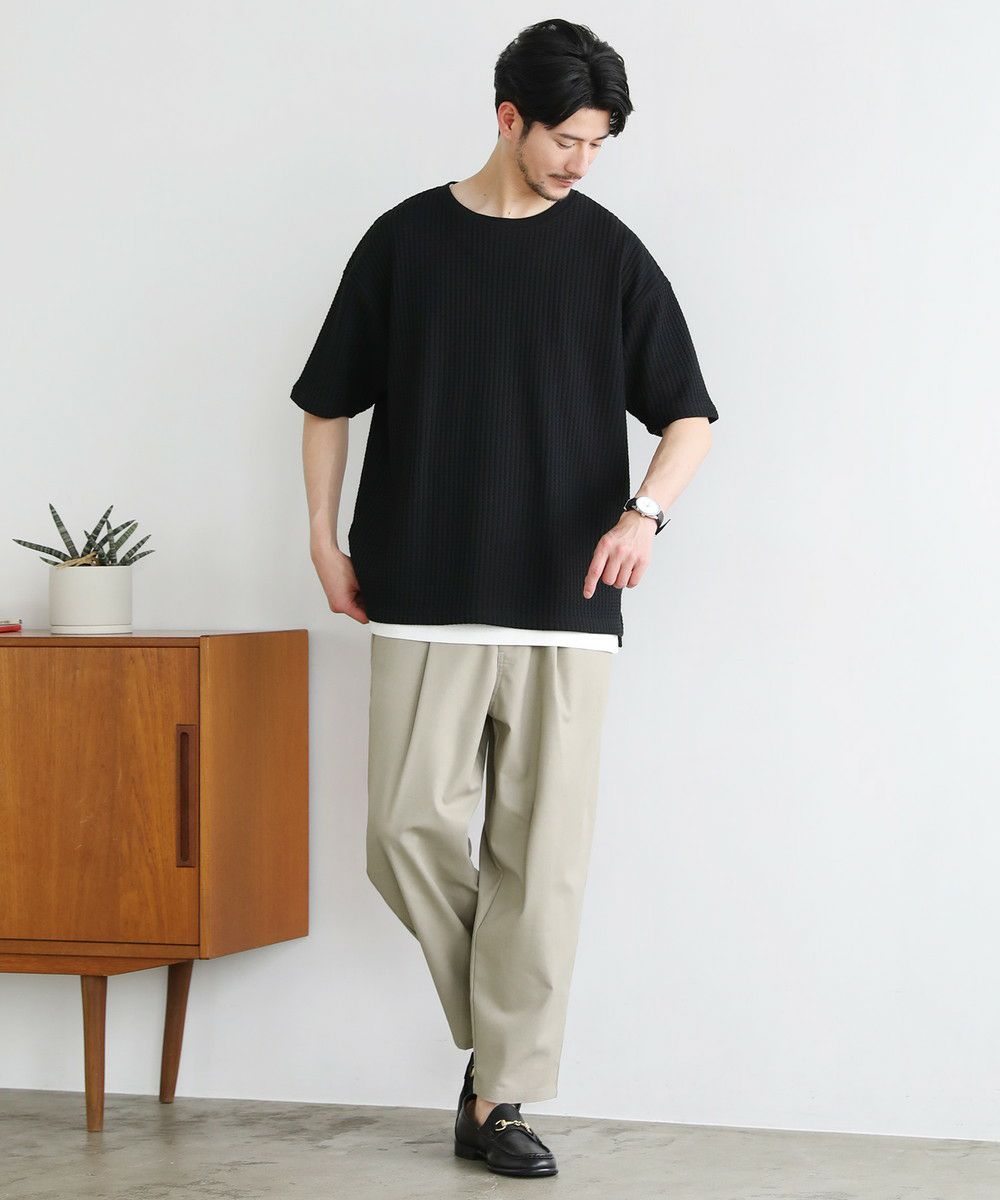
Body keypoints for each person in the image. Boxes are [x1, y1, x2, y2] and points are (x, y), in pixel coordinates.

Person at [291, 17, 719, 1179]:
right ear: (507, 117)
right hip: (421, 589)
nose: (581, 163)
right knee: (401, 833)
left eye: (597, 145)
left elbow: (689, 416)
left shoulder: (608, 255)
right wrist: (322, 539)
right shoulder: (404, 242)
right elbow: (327, 402)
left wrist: (643, 516)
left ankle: (496, 1096)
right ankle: (506, 1032)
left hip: (565, 603)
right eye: (565, 140)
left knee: (545, 862)